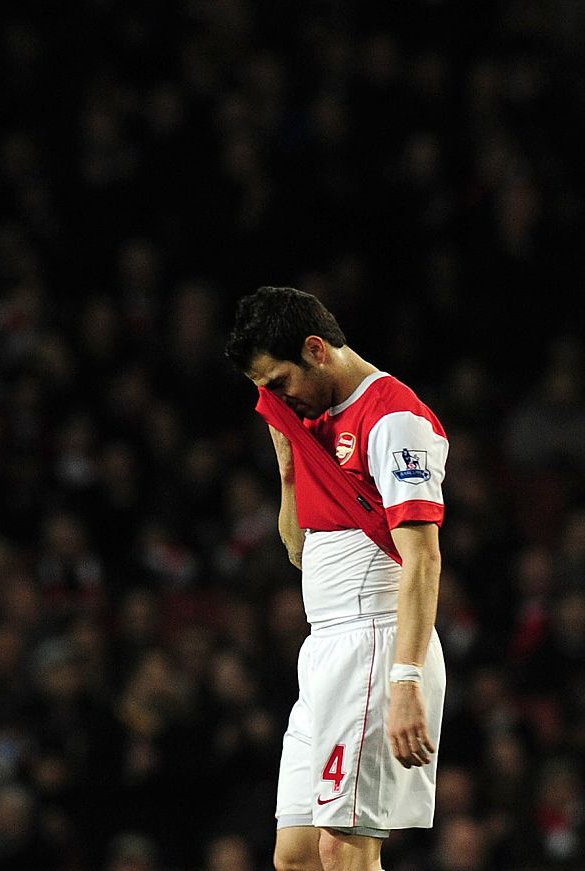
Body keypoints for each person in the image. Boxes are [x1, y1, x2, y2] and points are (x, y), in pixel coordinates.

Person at [226, 287, 448, 871]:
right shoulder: (316, 424)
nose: (279, 400)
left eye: (279, 383)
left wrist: (405, 680)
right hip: (323, 644)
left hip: (377, 643)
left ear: (316, 350)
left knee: (345, 848)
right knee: (296, 855)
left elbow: (423, 557)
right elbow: (299, 551)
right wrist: (289, 468)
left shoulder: (394, 420)